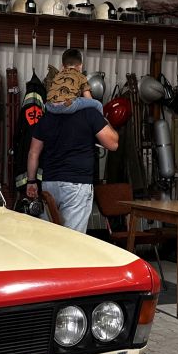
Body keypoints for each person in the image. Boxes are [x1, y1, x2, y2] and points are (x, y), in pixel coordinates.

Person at [25, 78, 119, 232]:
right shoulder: (89, 113)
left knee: (50, 236)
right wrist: (94, 106)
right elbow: (113, 144)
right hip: (76, 185)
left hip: (50, 184)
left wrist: (31, 181)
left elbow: (33, 153)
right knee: (72, 240)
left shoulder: (47, 116)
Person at [45, 48, 103, 116]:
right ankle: (101, 121)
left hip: (50, 106)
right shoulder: (81, 76)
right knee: (98, 104)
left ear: (62, 66)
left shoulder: (57, 75)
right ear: (80, 66)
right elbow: (88, 98)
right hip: (67, 106)